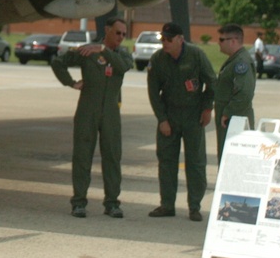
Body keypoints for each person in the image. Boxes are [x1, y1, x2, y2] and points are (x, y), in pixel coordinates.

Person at [50, 17, 133, 218]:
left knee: (112, 157)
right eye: (118, 32)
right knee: (82, 156)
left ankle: (112, 203)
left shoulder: (122, 54)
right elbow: (58, 62)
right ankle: (78, 202)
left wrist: (103, 51)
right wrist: (70, 82)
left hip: (111, 113)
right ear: (107, 30)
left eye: (124, 33)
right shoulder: (88, 52)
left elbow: (122, 67)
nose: (121, 37)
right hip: (87, 110)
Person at [146, 22, 216, 222]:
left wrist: (207, 108)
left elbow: (212, 82)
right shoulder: (158, 60)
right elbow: (153, 92)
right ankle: (167, 205)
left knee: (195, 163)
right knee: (167, 162)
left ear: (180, 39)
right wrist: (162, 119)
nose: (165, 43)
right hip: (170, 116)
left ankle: (194, 207)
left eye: (169, 39)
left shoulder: (196, 55)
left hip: (193, 116)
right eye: (163, 39)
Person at [214, 24, 256, 162]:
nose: (218, 43)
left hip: (235, 120)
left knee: (233, 160)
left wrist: (228, 112)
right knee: (226, 157)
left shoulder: (241, 62)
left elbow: (244, 92)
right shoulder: (234, 60)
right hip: (230, 120)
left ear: (233, 41)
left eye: (221, 40)